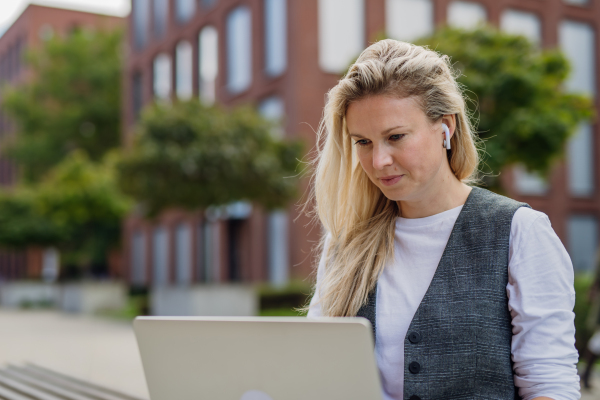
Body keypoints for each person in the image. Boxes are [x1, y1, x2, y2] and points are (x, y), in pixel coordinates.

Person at [306, 39, 579, 400]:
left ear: (445, 128)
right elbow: (313, 373)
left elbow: (550, 385)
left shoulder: (519, 233)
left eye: (396, 137)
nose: (378, 161)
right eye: (363, 142)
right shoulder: (345, 244)